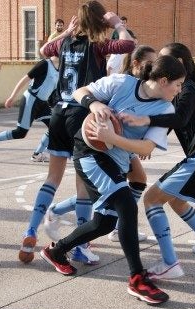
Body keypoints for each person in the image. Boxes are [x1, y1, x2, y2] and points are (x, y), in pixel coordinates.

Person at [40, 55, 185, 305]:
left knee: (104, 224)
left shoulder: (165, 109)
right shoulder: (122, 83)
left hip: (115, 159)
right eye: (178, 84)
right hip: (89, 152)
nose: (179, 90)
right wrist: (94, 105)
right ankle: (137, 279)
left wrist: (113, 137)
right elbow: (80, 92)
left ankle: (56, 251)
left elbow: (146, 145)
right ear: (163, 80)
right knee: (127, 205)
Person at [18, 1, 135, 265]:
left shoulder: (64, 43)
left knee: (52, 178)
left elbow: (43, 49)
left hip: (58, 111)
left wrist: (66, 32)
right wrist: (117, 24)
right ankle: (81, 247)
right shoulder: (98, 45)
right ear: (99, 21)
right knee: (83, 184)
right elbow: (128, 46)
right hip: (81, 114)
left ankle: (30, 230)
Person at [121, 42, 195, 281]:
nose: (159, 64)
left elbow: (177, 119)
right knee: (178, 202)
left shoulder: (187, 88)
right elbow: (175, 121)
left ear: (179, 63)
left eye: (164, 59)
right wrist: (151, 140)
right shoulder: (183, 89)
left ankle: (170, 263)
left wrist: (144, 121)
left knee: (151, 200)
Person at [43, 45, 157, 243]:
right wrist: (95, 106)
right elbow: (86, 95)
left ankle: (117, 223)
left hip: (123, 144)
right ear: (137, 64)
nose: (155, 67)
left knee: (137, 180)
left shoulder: (149, 88)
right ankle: (55, 212)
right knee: (98, 193)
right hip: (102, 144)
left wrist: (146, 141)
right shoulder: (122, 82)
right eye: (151, 63)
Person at [0, 56, 59, 162]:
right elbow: (25, 79)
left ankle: (37, 154)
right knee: (20, 132)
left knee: (55, 127)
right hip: (31, 100)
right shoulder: (45, 64)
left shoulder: (60, 67)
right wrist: (12, 97)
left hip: (42, 103)